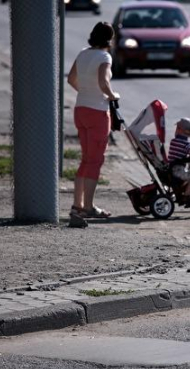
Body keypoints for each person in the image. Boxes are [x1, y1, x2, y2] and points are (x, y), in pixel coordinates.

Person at [67, 22, 119, 224]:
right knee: (95, 160)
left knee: (86, 159)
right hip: (97, 111)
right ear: (109, 39)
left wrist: (85, 92)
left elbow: (72, 78)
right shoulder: (105, 57)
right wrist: (112, 96)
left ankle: (77, 204)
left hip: (80, 110)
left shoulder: (83, 54)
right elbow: (104, 82)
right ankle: (88, 206)